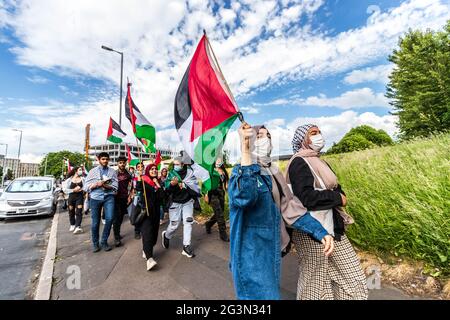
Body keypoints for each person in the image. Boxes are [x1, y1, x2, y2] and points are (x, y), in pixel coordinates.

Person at [228, 123, 334, 300]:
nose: (266, 140)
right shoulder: (240, 172)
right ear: (250, 139)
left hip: (272, 248)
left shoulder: (273, 170)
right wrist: (246, 153)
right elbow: (244, 198)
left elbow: (289, 206)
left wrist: (319, 231)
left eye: (268, 136)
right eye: (260, 136)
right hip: (251, 254)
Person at [287, 124, 368, 300]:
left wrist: (339, 196)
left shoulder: (320, 161)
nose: (318, 136)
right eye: (313, 133)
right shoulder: (298, 162)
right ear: (303, 140)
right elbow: (306, 197)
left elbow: (337, 187)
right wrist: (338, 198)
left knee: (353, 277)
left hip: (333, 226)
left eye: (319, 132)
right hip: (312, 231)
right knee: (316, 284)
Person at [161, 157, 200, 258]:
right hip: (175, 203)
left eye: (177, 164)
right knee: (174, 224)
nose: (175, 166)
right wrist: (172, 185)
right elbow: (167, 188)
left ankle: (186, 246)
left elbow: (195, 186)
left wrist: (186, 186)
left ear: (183, 164)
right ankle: (166, 235)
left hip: (188, 202)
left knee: (188, 222)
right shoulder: (171, 174)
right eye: (174, 164)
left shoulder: (190, 173)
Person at [83, 152, 118, 252]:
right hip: (95, 198)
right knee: (95, 222)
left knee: (110, 218)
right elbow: (85, 187)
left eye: (106, 159)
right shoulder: (92, 171)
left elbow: (116, 186)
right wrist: (95, 185)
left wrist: (106, 186)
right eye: (103, 159)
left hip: (109, 197)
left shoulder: (112, 172)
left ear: (109, 160)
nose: (105, 161)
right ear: (99, 160)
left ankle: (104, 241)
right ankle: (95, 243)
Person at [135, 164, 165, 270]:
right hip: (146, 212)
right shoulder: (144, 180)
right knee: (147, 234)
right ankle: (149, 259)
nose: (154, 170)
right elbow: (138, 188)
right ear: (148, 170)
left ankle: (146, 250)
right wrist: (139, 177)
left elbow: (162, 197)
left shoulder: (159, 182)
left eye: (156, 169)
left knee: (154, 236)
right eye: (151, 169)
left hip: (155, 212)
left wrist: (157, 183)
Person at [204, 158, 229, 242]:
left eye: (219, 160)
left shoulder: (223, 171)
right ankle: (223, 234)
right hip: (212, 193)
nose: (218, 161)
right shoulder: (211, 171)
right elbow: (206, 183)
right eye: (217, 160)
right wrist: (206, 194)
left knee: (219, 212)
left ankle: (208, 224)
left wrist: (227, 188)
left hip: (221, 193)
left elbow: (225, 183)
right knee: (219, 213)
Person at [112, 156, 133, 247]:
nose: (122, 164)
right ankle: (116, 238)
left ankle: (117, 233)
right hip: (115, 198)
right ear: (118, 164)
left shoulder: (128, 174)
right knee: (116, 218)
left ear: (126, 163)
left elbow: (131, 185)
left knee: (120, 218)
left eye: (124, 162)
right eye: (120, 162)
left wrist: (130, 196)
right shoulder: (114, 173)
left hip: (124, 198)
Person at [63, 167, 85, 234]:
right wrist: (73, 190)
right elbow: (64, 189)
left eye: (82, 170)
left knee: (79, 211)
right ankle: (72, 224)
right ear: (76, 171)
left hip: (80, 197)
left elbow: (86, 186)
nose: (81, 171)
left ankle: (78, 226)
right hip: (71, 197)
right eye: (80, 170)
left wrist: (82, 189)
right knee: (71, 211)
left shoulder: (83, 179)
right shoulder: (69, 180)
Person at [130, 162, 145, 239]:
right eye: (138, 167)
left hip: (145, 198)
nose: (140, 168)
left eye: (142, 166)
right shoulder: (133, 178)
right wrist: (132, 194)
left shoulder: (146, 176)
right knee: (137, 215)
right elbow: (131, 187)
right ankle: (137, 231)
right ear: (136, 168)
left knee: (144, 215)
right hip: (136, 198)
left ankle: (144, 230)